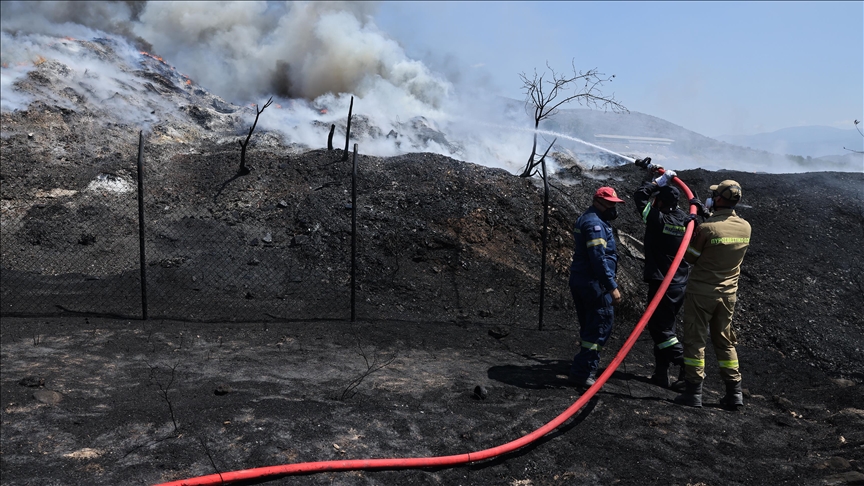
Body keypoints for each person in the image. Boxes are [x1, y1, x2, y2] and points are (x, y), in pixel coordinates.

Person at [674, 180, 751, 410]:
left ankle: (693, 392)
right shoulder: (746, 227)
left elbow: (690, 257)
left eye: (714, 194)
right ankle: (734, 393)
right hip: (728, 295)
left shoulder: (707, 229)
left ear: (717, 199)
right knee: (724, 341)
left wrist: (694, 228)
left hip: (702, 293)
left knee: (696, 340)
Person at [633, 169, 690, 390]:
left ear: (662, 202)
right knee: (667, 325)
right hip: (678, 280)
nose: (653, 202)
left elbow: (639, 196)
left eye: (657, 200)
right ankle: (661, 373)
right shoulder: (684, 218)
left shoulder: (657, 218)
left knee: (659, 328)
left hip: (662, 281)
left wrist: (657, 182)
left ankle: (685, 365)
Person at [568, 186, 625, 388]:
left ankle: (583, 367)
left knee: (591, 325)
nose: (613, 208)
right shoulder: (595, 224)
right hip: (594, 283)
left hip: (583, 280)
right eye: (610, 204)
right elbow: (598, 259)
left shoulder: (592, 219)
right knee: (600, 324)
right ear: (598, 202)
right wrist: (611, 286)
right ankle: (583, 372)